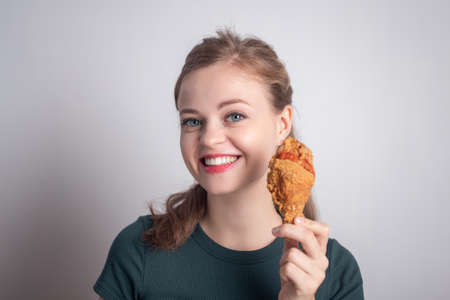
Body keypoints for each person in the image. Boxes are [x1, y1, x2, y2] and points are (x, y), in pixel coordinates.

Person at [93, 27, 364, 300]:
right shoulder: (137, 250)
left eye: (234, 116)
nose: (209, 139)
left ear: (282, 124)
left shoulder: (335, 272)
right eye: (193, 121)